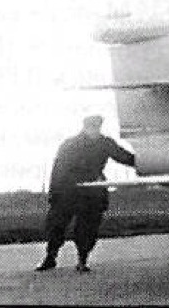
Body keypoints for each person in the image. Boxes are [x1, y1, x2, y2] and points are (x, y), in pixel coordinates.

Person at [36, 115, 135, 273]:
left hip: (92, 192)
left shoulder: (105, 143)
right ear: (85, 127)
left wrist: (146, 162)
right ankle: (50, 257)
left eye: (97, 127)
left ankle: (82, 260)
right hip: (68, 190)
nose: (95, 130)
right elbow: (58, 169)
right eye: (92, 127)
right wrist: (54, 193)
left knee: (88, 228)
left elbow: (124, 157)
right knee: (57, 225)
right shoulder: (70, 144)